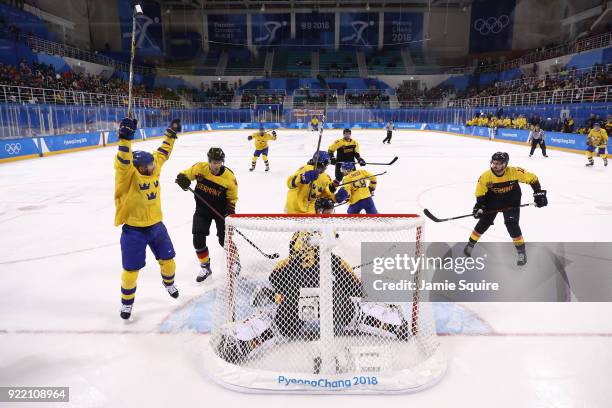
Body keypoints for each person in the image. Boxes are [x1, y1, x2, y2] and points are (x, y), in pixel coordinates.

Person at [114, 118, 182, 320]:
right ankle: (127, 304)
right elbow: (122, 162)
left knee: (169, 261)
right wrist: (125, 139)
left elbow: (162, 154)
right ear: (139, 168)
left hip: (156, 227)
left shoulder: (153, 168)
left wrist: (170, 135)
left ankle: (169, 284)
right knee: (131, 270)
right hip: (134, 231)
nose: (154, 166)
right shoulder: (128, 175)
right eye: (149, 165)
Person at [463, 152, 548, 266]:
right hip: (492, 201)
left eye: (498, 164)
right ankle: (470, 244)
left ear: (505, 164)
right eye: (493, 163)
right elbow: (480, 193)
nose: (495, 166)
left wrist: (538, 193)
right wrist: (479, 206)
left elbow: (533, 178)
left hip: (511, 201)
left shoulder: (514, 172)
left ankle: (522, 253)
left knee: (512, 225)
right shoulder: (486, 176)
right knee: (483, 223)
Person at [175, 147, 240, 282]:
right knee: (197, 239)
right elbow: (184, 174)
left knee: (224, 240)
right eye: (214, 162)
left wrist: (230, 211)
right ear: (209, 161)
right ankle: (205, 267)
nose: (217, 165)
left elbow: (233, 197)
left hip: (221, 212)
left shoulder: (229, 177)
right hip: (202, 210)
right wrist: (183, 179)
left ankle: (235, 261)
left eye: (219, 162)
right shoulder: (200, 168)